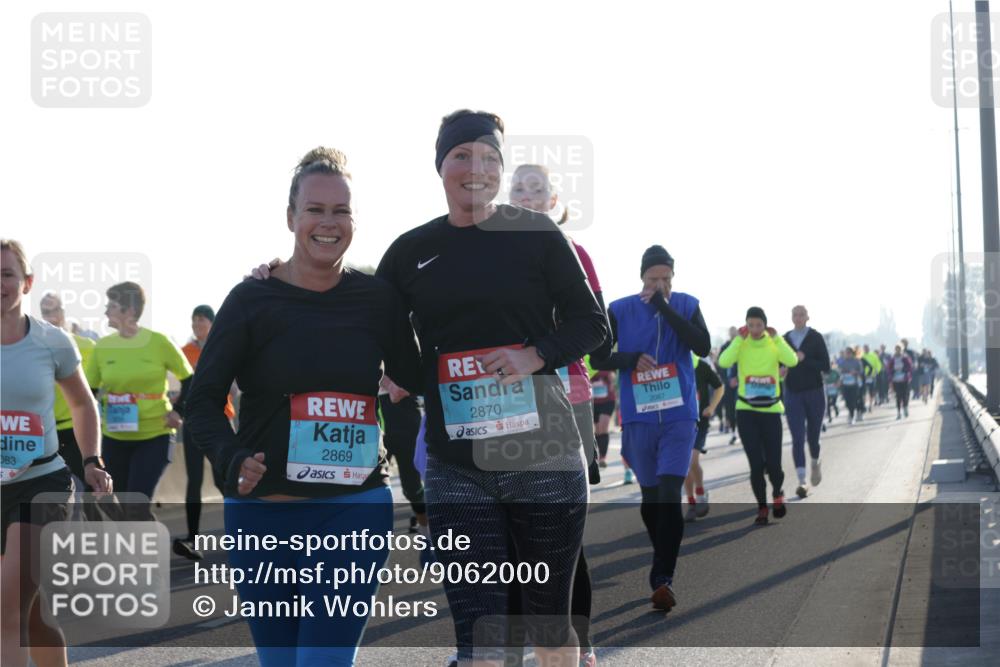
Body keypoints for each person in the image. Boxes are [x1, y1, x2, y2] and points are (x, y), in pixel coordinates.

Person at [374, 111, 607, 666]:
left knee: (551, 628)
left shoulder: (537, 234)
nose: (476, 168)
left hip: (544, 457)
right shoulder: (410, 251)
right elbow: (370, 323)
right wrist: (280, 273)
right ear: (441, 166)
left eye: (489, 158)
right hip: (458, 468)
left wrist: (535, 355)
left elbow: (591, 324)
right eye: (462, 156)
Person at [187, 148, 421, 667]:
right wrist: (229, 458)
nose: (328, 222)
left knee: (323, 661)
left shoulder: (378, 300)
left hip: (353, 511)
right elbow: (202, 401)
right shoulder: (251, 300)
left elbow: (417, 371)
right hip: (263, 518)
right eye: (315, 209)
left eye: (341, 211)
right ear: (291, 217)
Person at [508, 162, 610, 667]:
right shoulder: (491, 256)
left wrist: (539, 347)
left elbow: (597, 329)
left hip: (565, 400)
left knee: (565, 536)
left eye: (537, 190)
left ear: (553, 202)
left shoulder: (574, 253)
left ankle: (580, 644)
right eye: (518, 189)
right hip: (503, 407)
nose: (527, 196)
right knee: (508, 531)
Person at [1, 240, 112, 667]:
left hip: (41, 484)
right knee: (30, 612)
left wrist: (92, 460)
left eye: (7, 274)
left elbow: (83, 404)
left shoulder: (52, 341)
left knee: (5, 609)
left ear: (26, 282)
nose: (0, 284)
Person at [591, 245, 711, 612]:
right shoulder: (620, 309)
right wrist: (629, 360)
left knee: (670, 491)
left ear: (673, 278)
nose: (660, 284)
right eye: (653, 279)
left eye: (666, 279)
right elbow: (597, 357)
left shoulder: (687, 304)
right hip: (640, 417)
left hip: (679, 413)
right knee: (650, 499)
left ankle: (662, 579)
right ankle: (662, 555)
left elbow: (702, 345)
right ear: (641, 277)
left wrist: (664, 306)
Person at [85, 282, 193, 511]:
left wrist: (179, 410)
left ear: (130, 311)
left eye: (111, 306)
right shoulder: (102, 347)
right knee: (119, 506)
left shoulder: (159, 342)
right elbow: (88, 394)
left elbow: (190, 380)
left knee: (135, 504)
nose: (106, 311)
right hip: (114, 437)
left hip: (155, 434)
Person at [718, 307, 798, 526]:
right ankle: (762, 507)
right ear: (746, 325)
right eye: (750, 325)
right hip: (746, 411)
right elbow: (724, 362)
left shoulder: (774, 343)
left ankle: (778, 493)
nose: (754, 329)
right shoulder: (742, 344)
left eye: (758, 325)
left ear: (765, 325)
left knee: (773, 463)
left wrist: (778, 339)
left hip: (771, 411)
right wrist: (737, 340)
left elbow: (791, 361)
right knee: (755, 464)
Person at [173, 305, 237, 561]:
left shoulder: (225, 345)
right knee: (194, 481)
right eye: (194, 320)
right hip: (193, 422)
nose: (196, 324)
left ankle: (244, 532)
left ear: (212, 323)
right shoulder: (184, 352)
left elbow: (233, 386)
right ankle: (192, 539)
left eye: (201, 320)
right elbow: (182, 385)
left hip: (221, 419)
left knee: (226, 479)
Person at [39, 292, 97, 488]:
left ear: (63, 312)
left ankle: (123, 518)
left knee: (94, 491)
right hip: (46, 433)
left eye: (53, 310)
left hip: (76, 430)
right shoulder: (34, 347)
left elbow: (93, 389)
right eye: (45, 312)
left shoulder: (86, 346)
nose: (49, 316)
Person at [782, 306, 830, 499]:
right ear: (791, 317)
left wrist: (804, 359)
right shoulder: (785, 339)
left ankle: (815, 462)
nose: (798, 317)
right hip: (792, 392)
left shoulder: (816, 337)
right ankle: (802, 481)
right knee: (797, 437)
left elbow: (825, 366)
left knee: (812, 437)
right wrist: (781, 369)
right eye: (795, 314)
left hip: (815, 392)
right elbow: (778, 363)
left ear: (808, 317)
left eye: (802, 314)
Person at [685, 352, 723, 521]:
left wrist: (712, 407)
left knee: (692, 461)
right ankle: (691, 503)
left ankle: (700, 493)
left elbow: (719, 387)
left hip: (700, 422)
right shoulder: (670, 363)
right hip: (679, 422)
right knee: (683, 466)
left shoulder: (701, 365)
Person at [718, 327, 740, 445]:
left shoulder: (741, 345)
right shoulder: (724, 347)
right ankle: (733, 433)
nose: (732, 334)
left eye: (734, 331)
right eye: (730, 332)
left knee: (740, 408)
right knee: (730, 408)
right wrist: (726, 379)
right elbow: (720, 364)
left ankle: (742, 431)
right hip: (728, 383)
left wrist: (737, 378)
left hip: (740, 382)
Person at [885, 345, 913, 419]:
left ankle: (905, 408)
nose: (898, 350)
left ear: (901, 350)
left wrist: (905, 372)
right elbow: (889, 369)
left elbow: (910, 367)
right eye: (896, 349)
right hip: (895, 379)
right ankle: (898, 413)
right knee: (898, 396)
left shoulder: (905, 358)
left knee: (905, 395)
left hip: (904, 379)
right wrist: (891, 374)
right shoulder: (892, 359)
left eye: (899, 349)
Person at [838, 347, 864, 424]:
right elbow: (839, 373)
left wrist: (855, 372)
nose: (846, 354)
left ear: (851, 353)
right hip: (845, 384)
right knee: (847, 401)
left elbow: (861, 372)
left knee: (853, 400)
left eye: (847, 353)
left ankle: (852, 415)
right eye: (845, 353)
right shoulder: (843, 362)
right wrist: (840, 376)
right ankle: (851, 412)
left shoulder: (857, 361)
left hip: (854, 384)